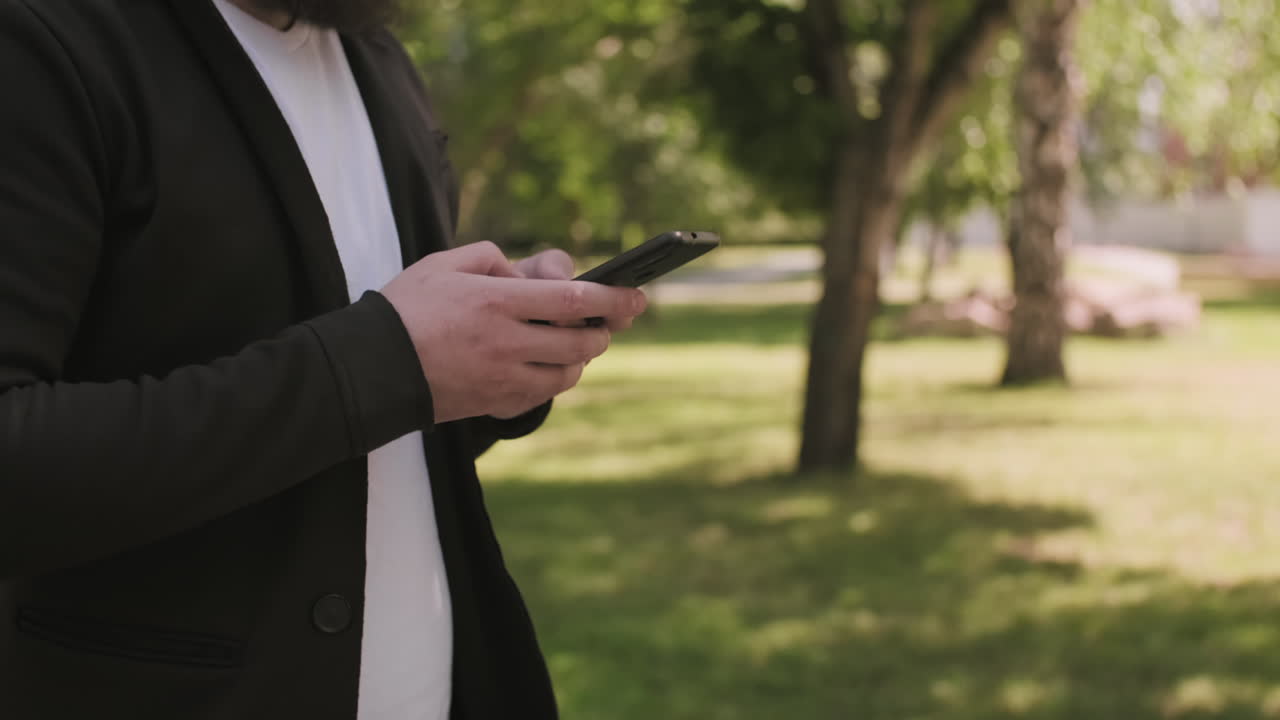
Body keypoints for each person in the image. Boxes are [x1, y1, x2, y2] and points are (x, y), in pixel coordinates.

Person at [0, 1, 646, 718]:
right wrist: (386, 362)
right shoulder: (40, 42)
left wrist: (493, 353)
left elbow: (370, 420)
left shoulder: (377, 58)